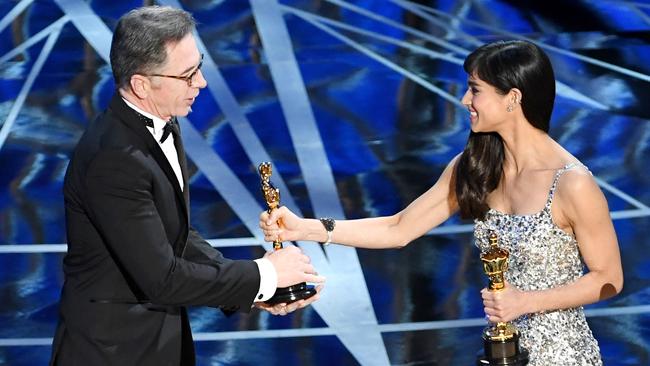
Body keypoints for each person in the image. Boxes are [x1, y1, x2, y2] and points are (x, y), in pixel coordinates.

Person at [260, 40, 623, 365]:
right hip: (500, 353)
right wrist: (306, 228)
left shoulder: (572, 183)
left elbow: (609, 280)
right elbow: (397, 228)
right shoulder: (474, 167)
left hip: (563, 354)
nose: (465, 100)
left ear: (512, 98)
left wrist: (526, 301)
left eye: (475, 90)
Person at [50, 6, 324, 366]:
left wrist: (256, 289)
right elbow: (162, 278)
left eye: (199, 66)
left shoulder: (162, 120)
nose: (202, 83)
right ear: (142, 84)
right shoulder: (114, 160)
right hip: (113, 352)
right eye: (188, 74)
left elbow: (173, 234)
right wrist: (265, 273)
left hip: (157, 342)